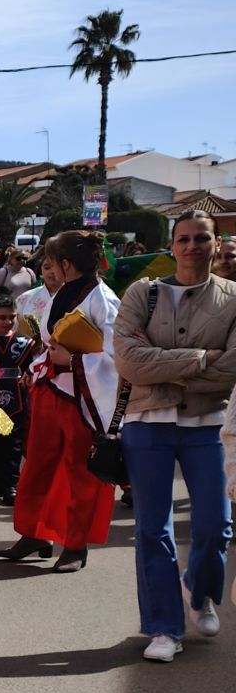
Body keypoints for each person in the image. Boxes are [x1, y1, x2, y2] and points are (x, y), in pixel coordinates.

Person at [114, 210, 236, 662]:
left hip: (208, 425)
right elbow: (129, 362)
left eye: (200, 238)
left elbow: (232, 371)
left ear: (215, 241)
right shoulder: (141, 294)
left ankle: (198, 591)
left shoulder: (233, 298)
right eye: (183, 238)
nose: (191, 246)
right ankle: (163, 628)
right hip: (147, 425)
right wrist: (202, 358)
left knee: (214, 524)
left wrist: (164, 365)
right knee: (152, 528)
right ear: (172, 244)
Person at [0, 230, 120, 573]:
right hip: (51, 389)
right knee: (37, 465)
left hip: (81, 397)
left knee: (79, 473)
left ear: (67, 264)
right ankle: (34, 533)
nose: (49, 269)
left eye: (52, 262)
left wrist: (74, 361)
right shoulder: (65, 293)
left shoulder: (104, 299)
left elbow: (116, 356)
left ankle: (75, 544)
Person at [0, 294, 32, 505]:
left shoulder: (23, 343)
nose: (7, 322)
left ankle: (11, 483)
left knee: (12, 442)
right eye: (2, 317)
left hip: (16, 398)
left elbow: (31, 369)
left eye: (11, 317)